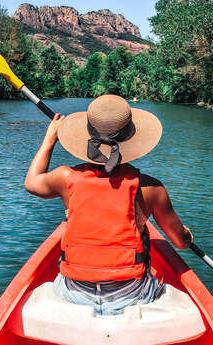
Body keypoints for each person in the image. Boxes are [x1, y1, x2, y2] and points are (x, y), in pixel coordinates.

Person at [25, 95, 193, 316]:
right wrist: (187, 235)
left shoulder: (65, 177)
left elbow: (31, 182)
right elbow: (180, 242)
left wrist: (49, 140)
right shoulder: (151, 187)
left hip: (73, 292)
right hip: (131, 294)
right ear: (131, 140)